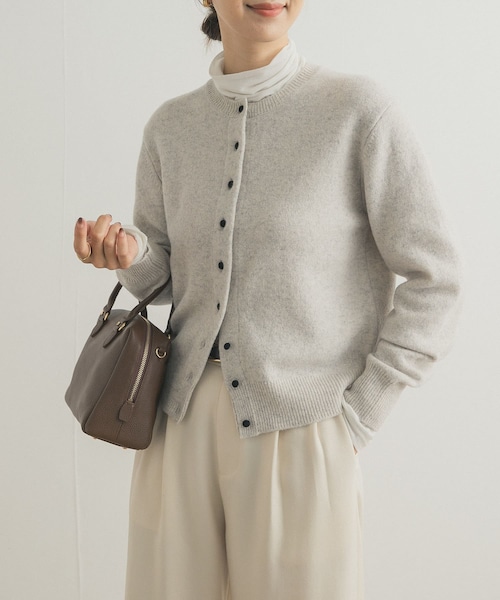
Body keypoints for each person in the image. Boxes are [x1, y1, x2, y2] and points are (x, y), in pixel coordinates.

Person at [73, 1, 462, 598]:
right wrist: (128, 256)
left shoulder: (358, 112)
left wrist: (359, 414)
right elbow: (168, 281)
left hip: (302, 427)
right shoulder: (169, 128)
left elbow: (437, 278)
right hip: (178, 425)